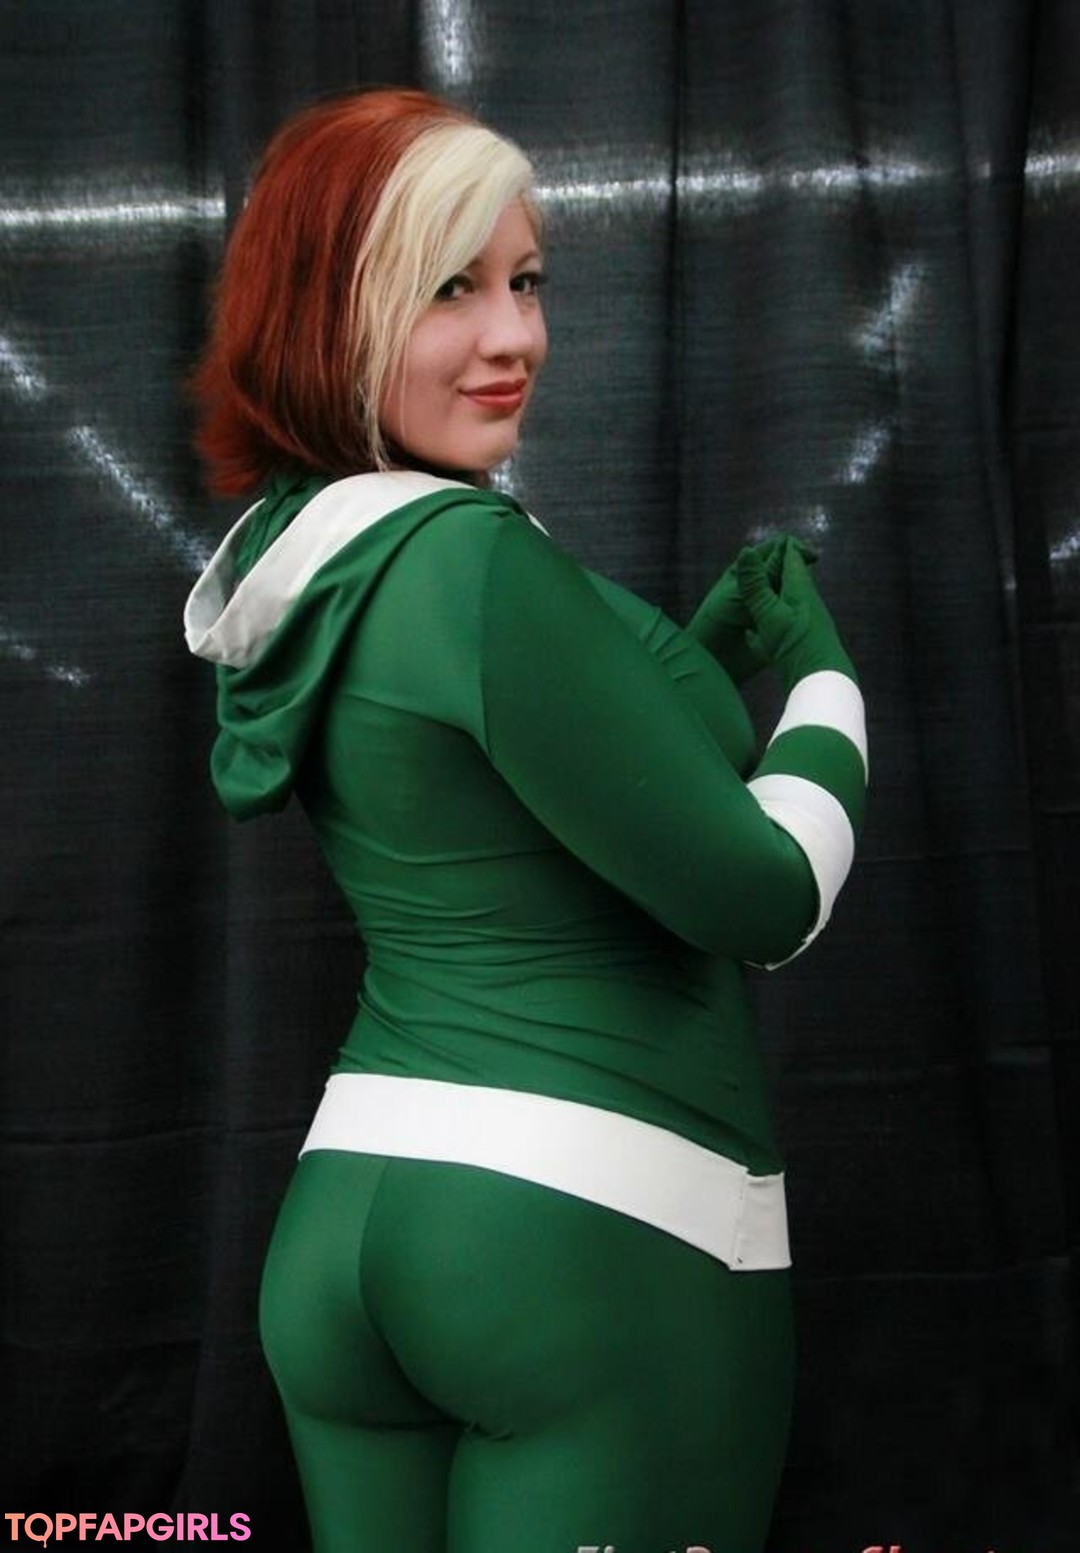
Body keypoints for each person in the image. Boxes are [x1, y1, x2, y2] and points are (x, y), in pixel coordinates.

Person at [183, 87, 867, 1553]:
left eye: (526, 280)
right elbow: (769, 899)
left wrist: (686, 661)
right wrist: (825, 682)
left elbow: (539, 796)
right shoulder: (471, 563)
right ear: (331, 315)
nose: (514, 337)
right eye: (450, 289)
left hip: (353, 1225)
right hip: (590, 1229)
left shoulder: (319, 557)